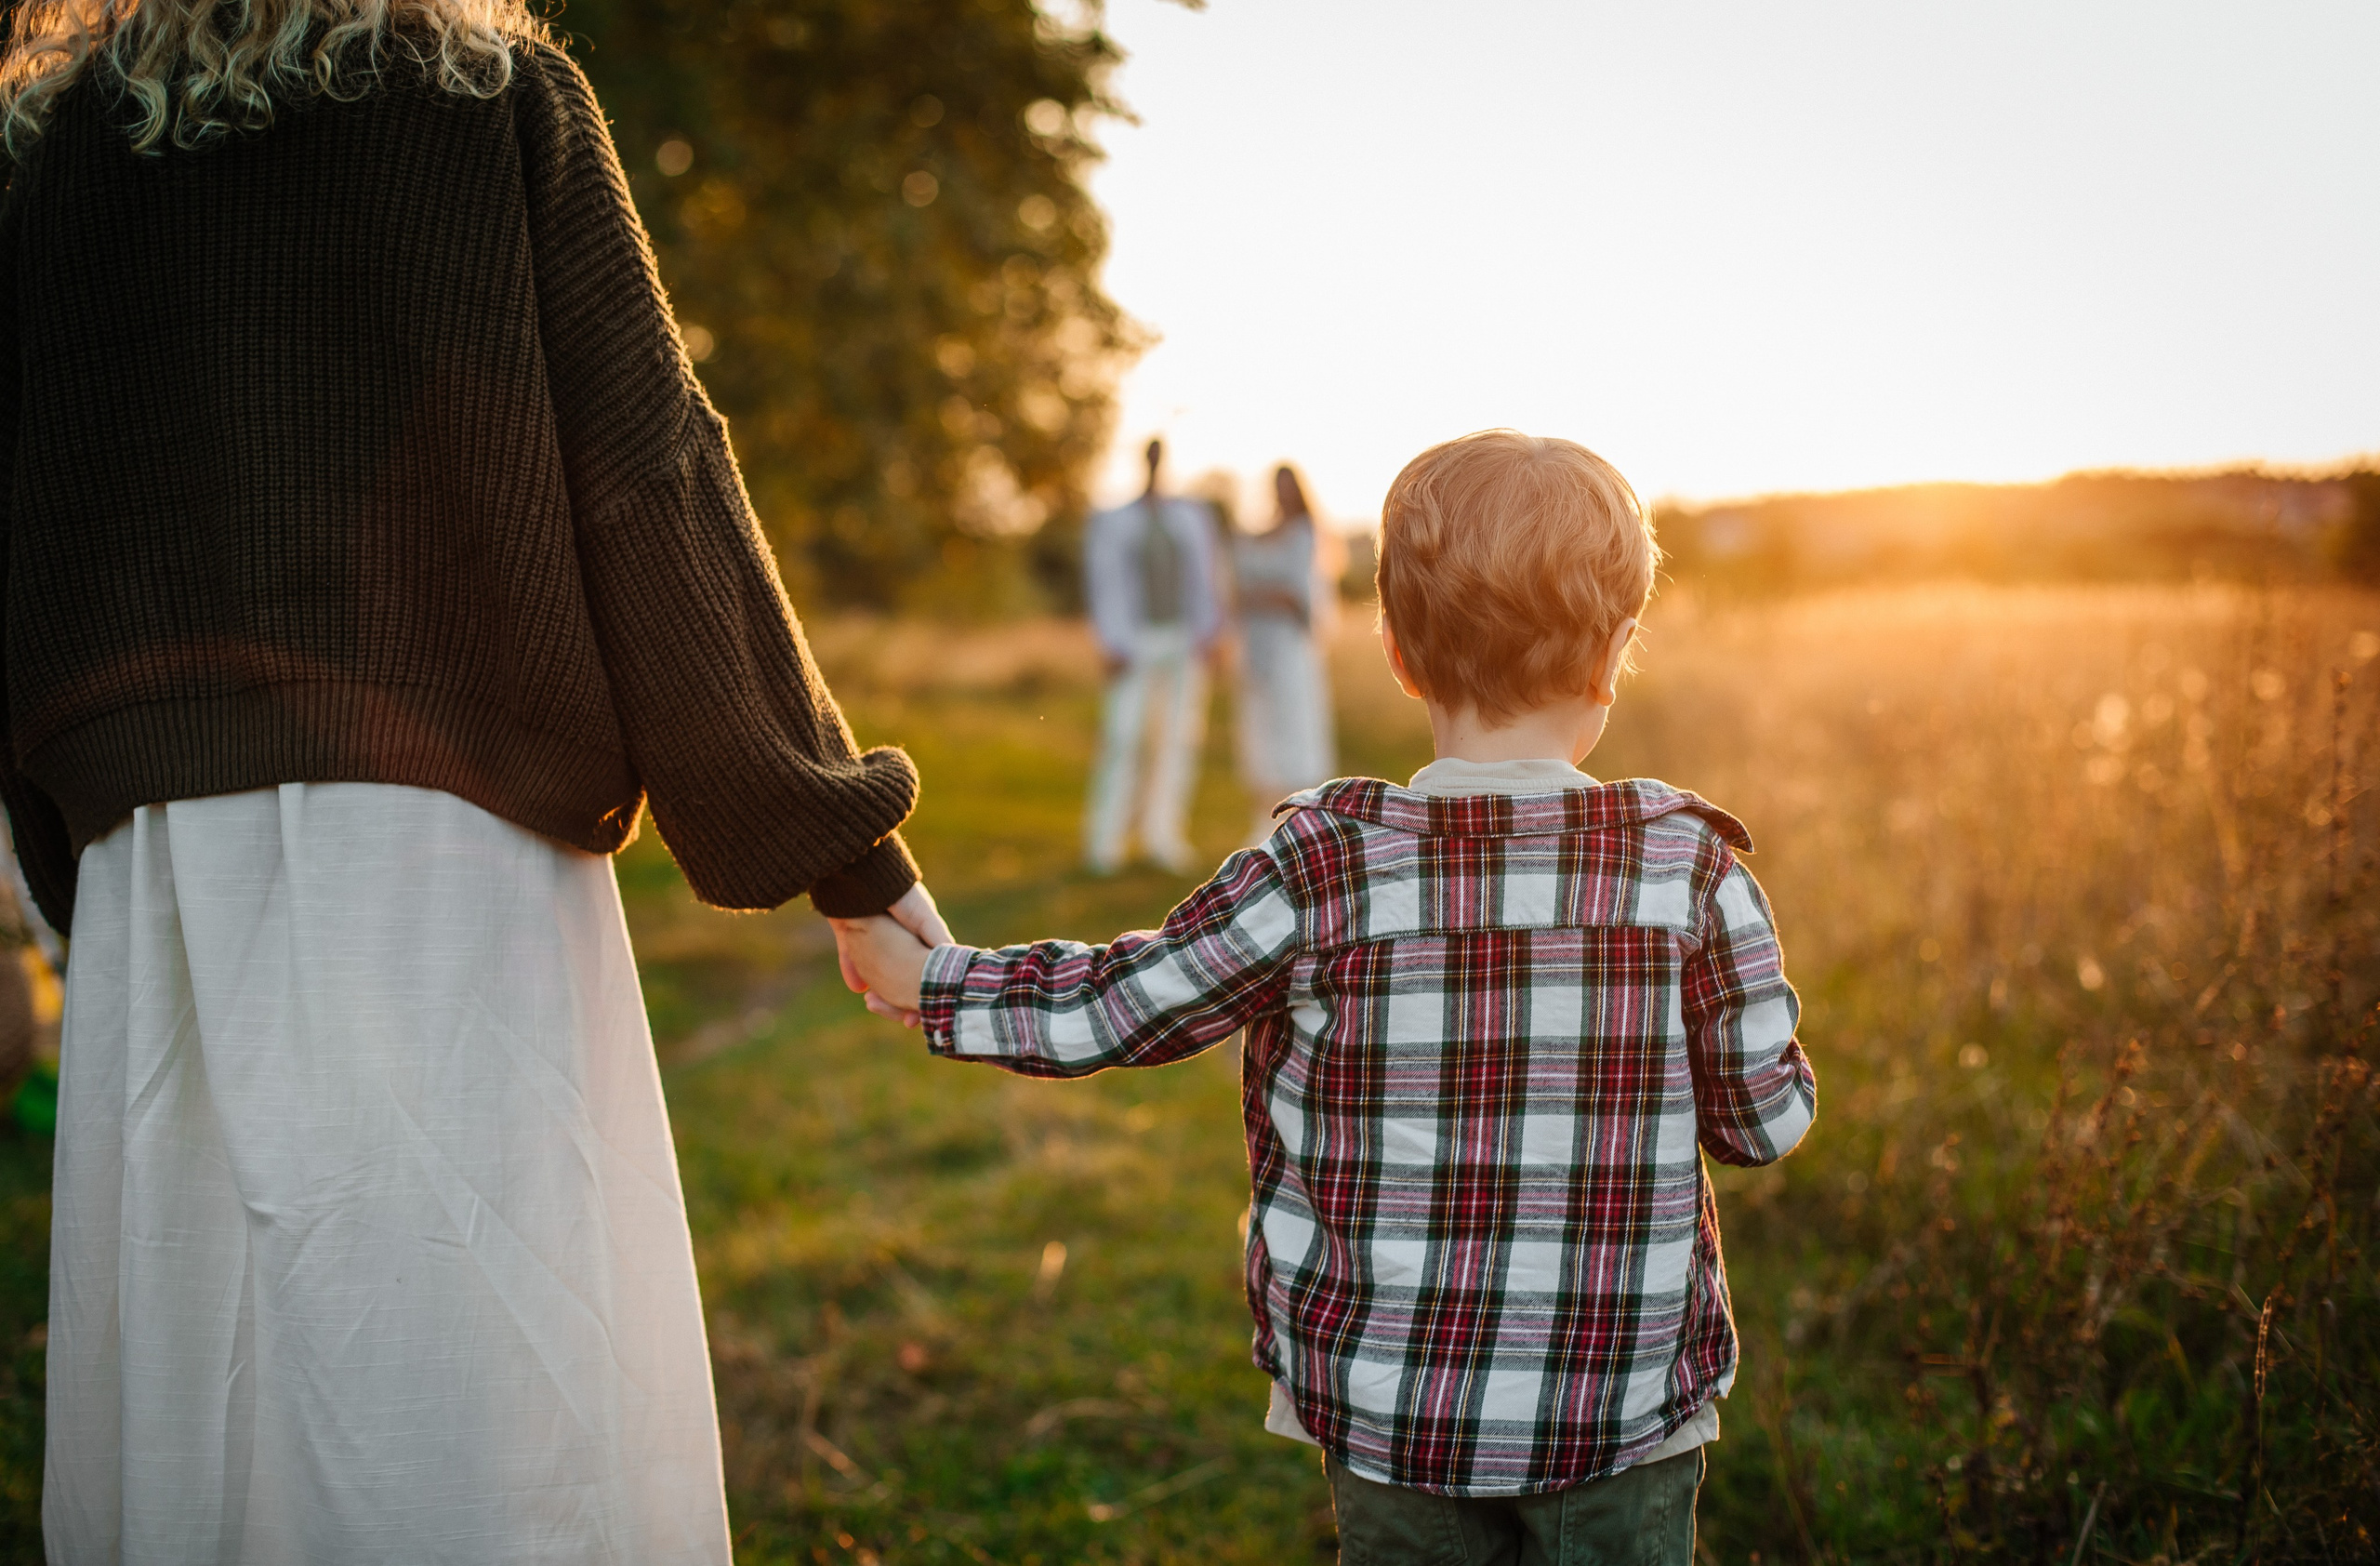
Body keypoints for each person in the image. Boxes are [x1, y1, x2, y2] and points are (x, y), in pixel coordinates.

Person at [0, 6, 948, 1559]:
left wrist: (67, 857)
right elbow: (652, 475)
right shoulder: (484, 95)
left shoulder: (52, 159)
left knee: (209, 1382)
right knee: (468, 1359)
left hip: (155, 862)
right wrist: (851, 860)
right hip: (443, 850)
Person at [836, 431, 1817, 1565]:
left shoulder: (1321, 866)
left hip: (1391, 1413)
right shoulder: (1689, 872)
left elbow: (1121, 1003)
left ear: (1397, 651)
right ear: (1616, 653)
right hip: (1620, 1418)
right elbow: (1761, 1123)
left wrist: (935, 982)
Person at [1081, 438, 1223, 874]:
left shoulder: (1190, 517)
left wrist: (1212, 631)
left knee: (1177, 740)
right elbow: (1103, 584)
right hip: (1134, 643)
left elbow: (1207, 578)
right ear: (1144, 460)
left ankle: (1163, 835)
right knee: (1124, 738)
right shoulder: (1114, 519)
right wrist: (1109, 642)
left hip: (1183, 641)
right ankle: (1104, 842)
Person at [1231, 464, 1338, 843]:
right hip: (1256, 650)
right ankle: (1264, 820)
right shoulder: (1257, 536)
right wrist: (1264, 594)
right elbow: (1236, 592)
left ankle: (1300, 823)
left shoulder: (1304, 534)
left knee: (1294, 728)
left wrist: (1259, 594)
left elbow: (1297, 598)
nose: (1282, 494)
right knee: (1260, 731)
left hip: (1290, 651)